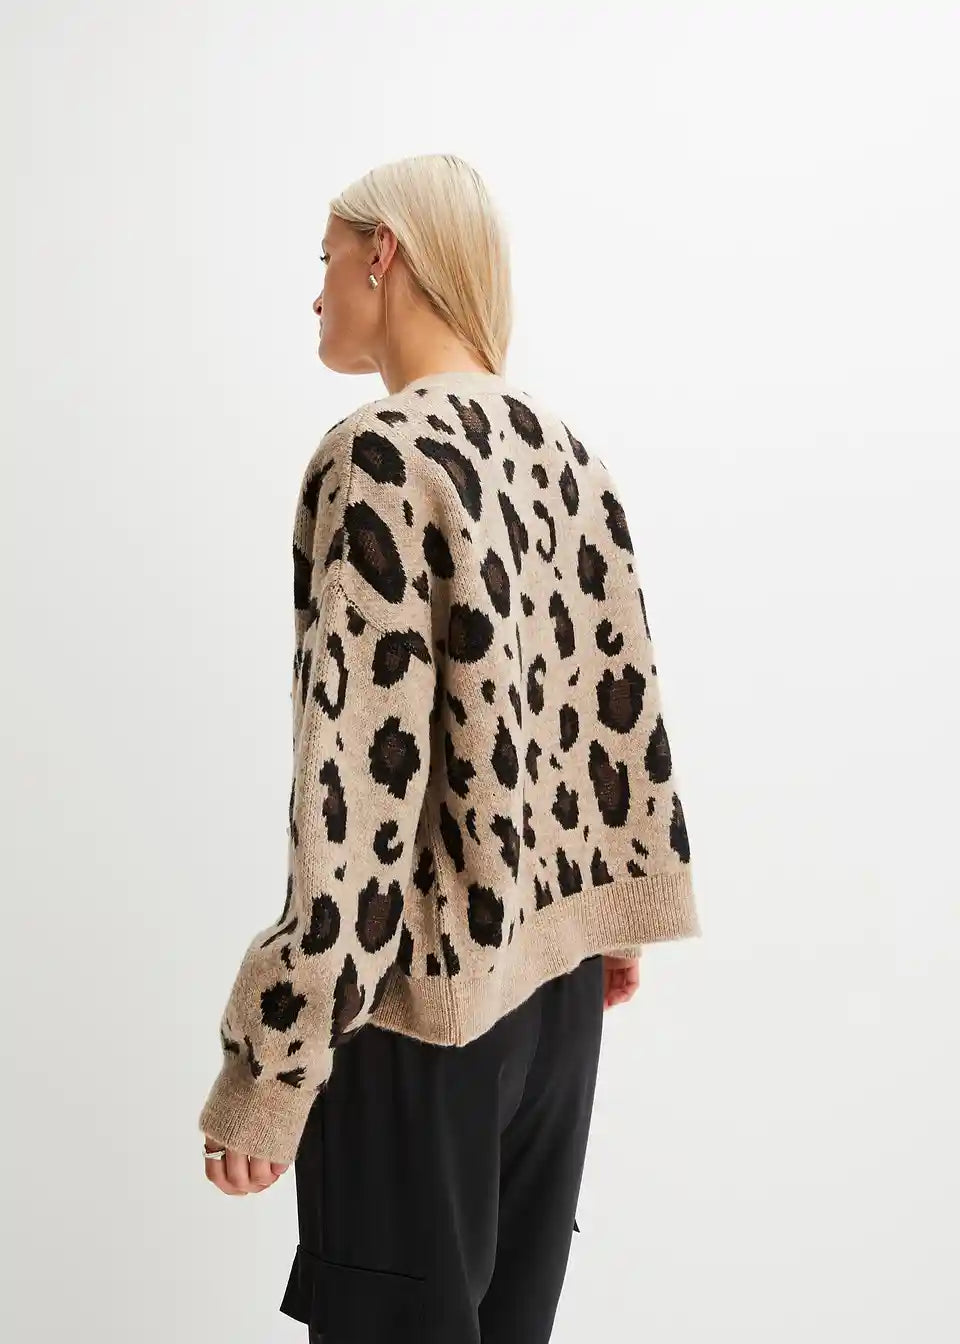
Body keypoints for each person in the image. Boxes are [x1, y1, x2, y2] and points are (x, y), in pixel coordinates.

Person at [197, 152, 701, 1343]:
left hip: (417, 1010)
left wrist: (275, 1061)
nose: (316, 291)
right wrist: (610, 919)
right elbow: (618, 703)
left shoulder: (381, 456)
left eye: (327, 259)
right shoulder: (566, 452)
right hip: (556, 1005)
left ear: (385, 253)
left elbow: (354, 793)